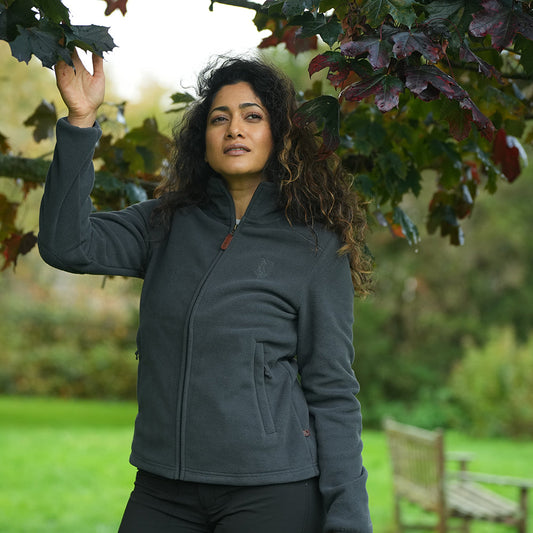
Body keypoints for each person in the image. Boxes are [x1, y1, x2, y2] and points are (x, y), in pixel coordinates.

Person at [38, 49, 373, 533]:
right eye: (220, 118)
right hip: (162, 488)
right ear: (204, 139)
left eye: (252, 117)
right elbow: (65, 244)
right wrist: (80, 122)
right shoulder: (162, 223)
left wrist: (349, 520)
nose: (234, 129)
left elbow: (333, 391)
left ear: (279, 135)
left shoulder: (315, 246)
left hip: (271, 490)